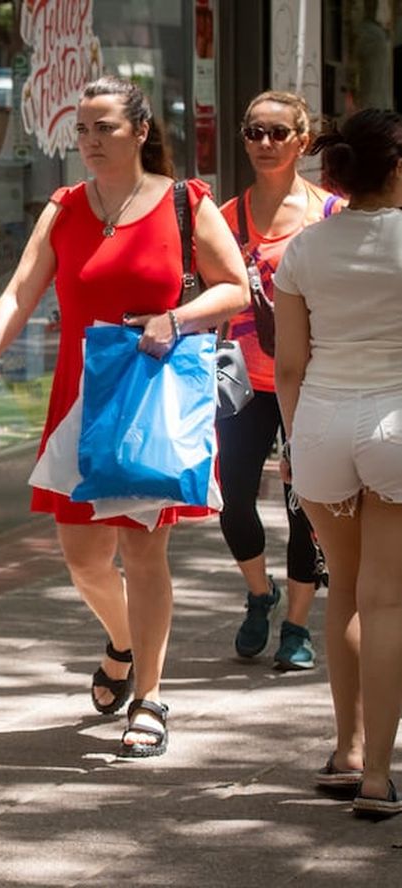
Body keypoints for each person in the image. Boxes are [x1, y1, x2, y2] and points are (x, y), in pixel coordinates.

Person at [0, 76, 247, 757]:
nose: (89, 140)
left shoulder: (184, 202)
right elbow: (18, 294)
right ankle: (121, 642)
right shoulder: (65, 207)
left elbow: (235, 287)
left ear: (140, 130)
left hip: (147, 395)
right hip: (79, 401)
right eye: (81, 129)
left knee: (143, 550)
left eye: (103, 127)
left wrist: (176, 318)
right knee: (82, 561)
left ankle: (149, 697)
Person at [274, 107, 402, 818]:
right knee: (389, 601)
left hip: (320, 425)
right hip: (396, 426)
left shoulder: (304, 248)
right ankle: (378, 776)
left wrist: (294, 445)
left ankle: (346, 752)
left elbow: (289, 367)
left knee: (344, 590)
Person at [217, 91, 342, 670]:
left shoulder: (330, 215)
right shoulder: (225, 218)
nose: (264, 143)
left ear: (302, 141)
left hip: (311, 381)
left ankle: (295, 624)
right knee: (232, 501)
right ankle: (258, 593)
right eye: (254, 132)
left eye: (277, 133)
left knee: (304, 507)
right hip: (242, 383)